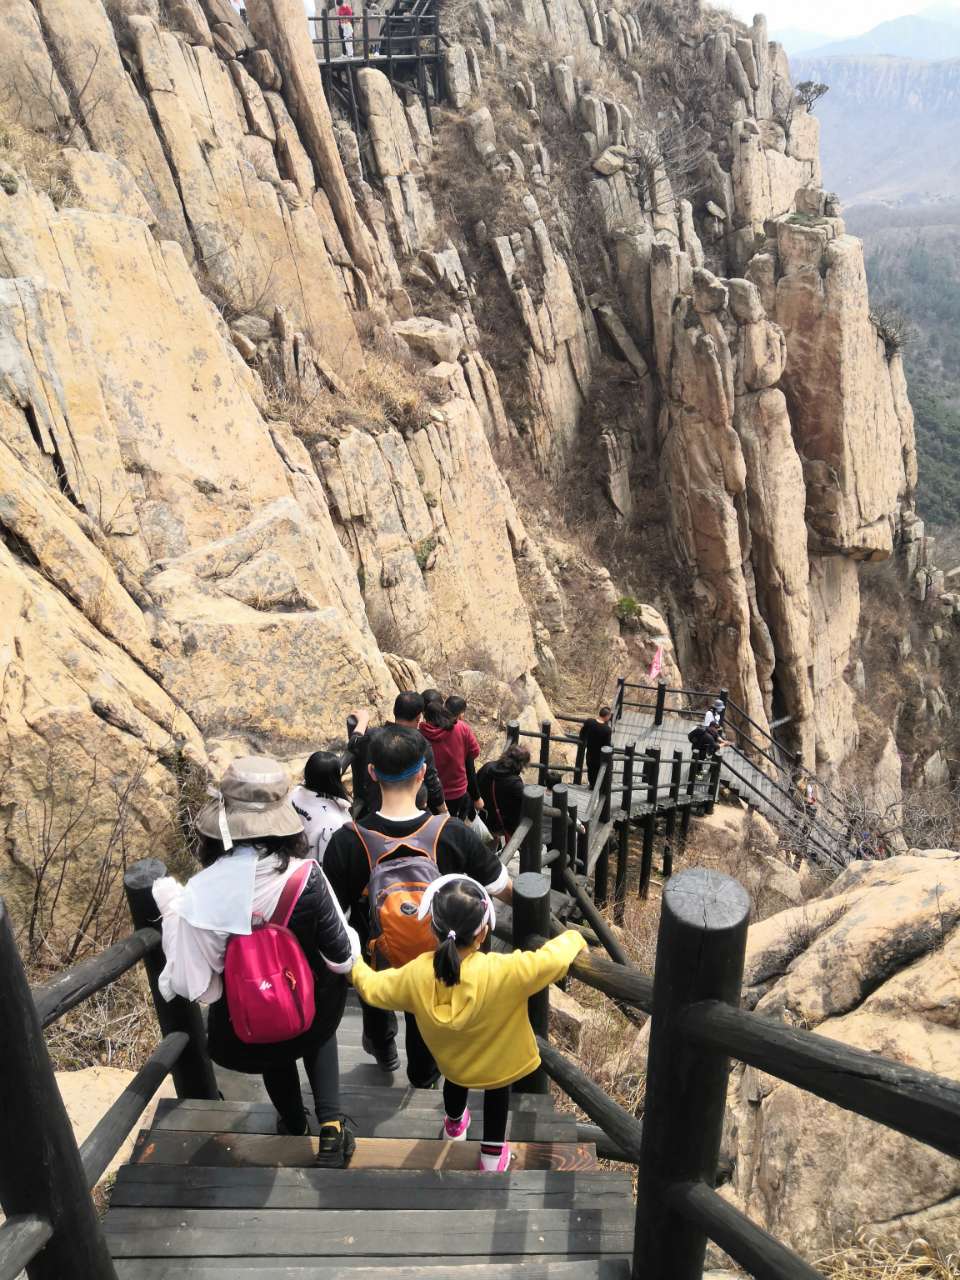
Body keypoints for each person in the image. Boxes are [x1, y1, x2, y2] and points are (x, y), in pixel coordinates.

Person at [152, 757, 358, 1165]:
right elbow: (342, 959)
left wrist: (174, 911)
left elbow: (197, 986)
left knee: (271, 1040)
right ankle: (332, 1127)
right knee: (320, 1005)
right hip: (312, 1014)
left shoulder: (199, 894)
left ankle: (293, 1125)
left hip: (250, 1024)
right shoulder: (307, 876)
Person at [351, 876, 586, 1171]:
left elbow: (373, 988)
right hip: (497, 1067)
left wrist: (354, 964)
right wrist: (574, 938)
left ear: (432, 927)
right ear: (483, 932)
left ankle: (454, 1125)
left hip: (454, 1065)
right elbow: (550, 961)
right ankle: (491, 1157)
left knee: (455, 1082)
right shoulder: (503, 971)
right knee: (497, 1095)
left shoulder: (417, 974)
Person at [325, 725, 512, 1084]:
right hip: (436, 955)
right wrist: (533, 912)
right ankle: (423, 1076)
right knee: (424, 1012)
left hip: (377, 957)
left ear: (372, 773)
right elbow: (500, 886)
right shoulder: (451, 832)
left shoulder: (348, 841)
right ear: (423, 772)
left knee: (375, 995)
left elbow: (335, 914)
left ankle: (384, 1048)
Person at [349, 694, 446, 818]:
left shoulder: (374, 736)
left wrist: (363, 721)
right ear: (419, 717)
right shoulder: (421, 745)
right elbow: (432, 783)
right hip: (408, 810)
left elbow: (354, 744)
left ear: (394, 711)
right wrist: (444, 811)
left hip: (376, 808)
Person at [419, 698, 481, 820]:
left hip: (432, 795)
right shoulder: (461, 727)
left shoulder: (419, 736)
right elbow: (474, 753)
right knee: (458, 821)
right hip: (458, 791)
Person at [290, 750, 352, 863]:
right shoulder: (340, 819)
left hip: (291, 862)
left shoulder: (294, 794)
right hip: (317, 868)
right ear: (335, 780)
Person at [478, 744, 531, 841]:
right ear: (522, 764)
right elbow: (524, 806)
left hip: (483, 817)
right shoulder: (515, 784)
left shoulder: (487, 768)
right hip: (502, 825)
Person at [578, 706, 613, 788]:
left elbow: (582, 733)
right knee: (599, 771)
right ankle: (598, 788)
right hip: (600, 755)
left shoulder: (589, 722)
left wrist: (584, 742)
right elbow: (607, 745)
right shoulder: (607, 730)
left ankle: (591, 786)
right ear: (607, 716)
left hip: (589, 751)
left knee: (590, 770)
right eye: (610, 716)